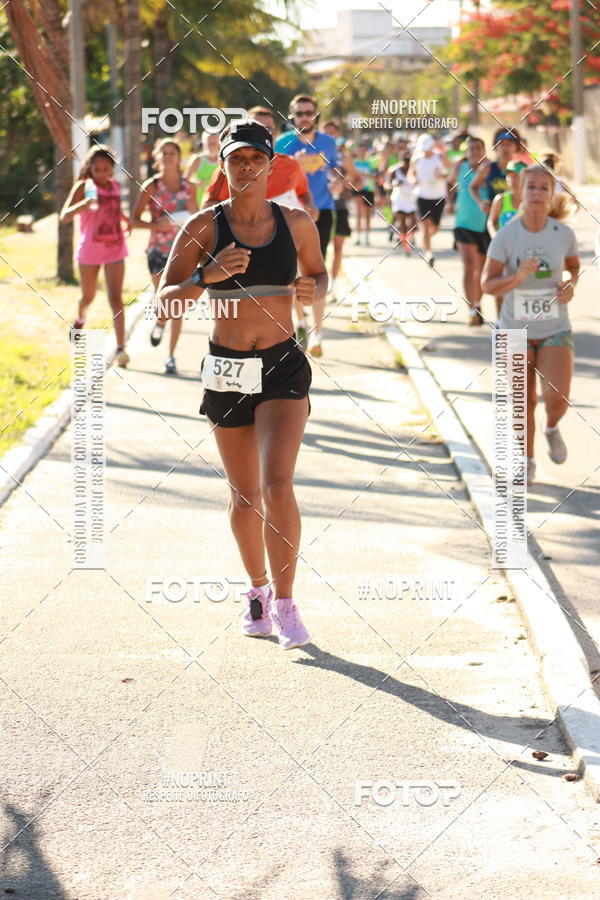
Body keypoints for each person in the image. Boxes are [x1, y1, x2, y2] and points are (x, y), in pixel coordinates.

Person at [157, 120, 328, 648]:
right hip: (227, 367)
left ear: (271, 164)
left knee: (278, 486)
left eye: (257, 159)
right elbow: (166, 302)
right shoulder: (203, 228)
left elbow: (320, 277)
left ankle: (286, 601)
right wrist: (206, 277)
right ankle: (255, 590)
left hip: (281, 363)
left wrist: (310, 290)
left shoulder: (297, 223)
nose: (247, 168)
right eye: (237, 160)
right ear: (224, 165)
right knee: (245, 495)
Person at [481, 165, 580, 484]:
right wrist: (518, 277)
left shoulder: (563, 234)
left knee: (557, 397)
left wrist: (569, 284)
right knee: (524, 400)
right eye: (531, 187)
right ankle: (527, 460)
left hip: (554, 328)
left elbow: (573, 268)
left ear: (551, 196)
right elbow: (487, 285)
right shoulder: (507, 236)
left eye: (543, 188)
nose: (537, 194)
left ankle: (552, 427)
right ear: (520, 193)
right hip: (514, 330)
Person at [275, 94, 338, 358]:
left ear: (316, 115)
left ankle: (318, 333)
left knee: (316, 270)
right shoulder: (283, 144)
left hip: (322, 211)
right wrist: (294, 166)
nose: (304, 117)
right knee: (291, 271)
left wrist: (337, 182)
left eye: (309, 112)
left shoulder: (328, 142)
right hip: (291, 214)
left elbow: (335, 171)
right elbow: (276, 180)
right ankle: (300, 322)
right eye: (299, 113)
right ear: (292, 116)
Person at [60, 144, 131, 366]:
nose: (101, 173)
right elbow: (65, 216)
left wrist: (126, 220)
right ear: (90, 168)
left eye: (106, 168)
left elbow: (115, 209)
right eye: (97, 168)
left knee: (116, 299)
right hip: (90, 250)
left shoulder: (116, 187)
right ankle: (80, 320)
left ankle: (121, 348)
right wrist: (83, 204)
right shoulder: (83, 186)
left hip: (115, 248)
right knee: (88, 296)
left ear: (112, 168)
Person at [132, 138, 198, 374]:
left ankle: (170, 356)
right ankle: (160, 321)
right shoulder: (152, 186)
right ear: (157, 158)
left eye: (173, 152)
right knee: (164, 301)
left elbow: (198, 220)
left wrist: (193, 210)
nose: (169, 156)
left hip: (183, 253)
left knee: (178, 304)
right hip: (158, 253)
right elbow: (134, 220)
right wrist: (154, 226)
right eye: (164, 153)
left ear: (179, 159)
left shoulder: (190, 187)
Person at [201, 106, 315, 216]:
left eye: (268, 129)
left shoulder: (291, 165)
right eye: (254, 127)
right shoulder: (230, 168)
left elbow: (303, 192)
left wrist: (310, 206)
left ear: (276, 134)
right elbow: (207, 207)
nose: (261, 133)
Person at [451, 136, 491, 325]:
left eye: (478, 148)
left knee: (482, 270)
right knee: (469, 265)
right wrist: (450, 203)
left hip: (486, 226)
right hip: (463, 223)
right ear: (467, 152)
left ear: (484, 151)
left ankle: (477, 302)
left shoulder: (491, 169)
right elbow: (450, 184)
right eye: (471, 149)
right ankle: (472, 310)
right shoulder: (460, 168)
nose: (475, 152)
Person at [323, 120, 357, 299]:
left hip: (340, 206)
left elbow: (356, 180)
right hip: (321, 207)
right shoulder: (317, 153)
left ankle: (333, 285)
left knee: (337, 247)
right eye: (325, 132)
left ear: (337, 135)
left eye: (332, 132)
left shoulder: (344, 157)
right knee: (321, 248)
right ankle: (321, 284)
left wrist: (345, 183)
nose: (329, 135)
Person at [411, 134, 449, 267]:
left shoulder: (440, 158)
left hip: (438, 197)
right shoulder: (416, 159)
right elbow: (411, 175)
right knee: (426, 225)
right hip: (422, 197)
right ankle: (428, 254)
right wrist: (413, 180)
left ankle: (425, 239)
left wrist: (442, 175)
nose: (426, 151)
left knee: (435, 228)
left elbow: (452, 171)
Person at [386, 152, 417, 256]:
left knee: (413, 222)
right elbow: (387, 185)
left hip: (411, 199)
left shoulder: (415, 170)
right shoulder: (394, 170)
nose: (407, 164)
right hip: (399, 199)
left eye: (409, 161)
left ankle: (411, 237)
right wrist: (395, 184)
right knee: (402, 223)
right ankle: (405, 246)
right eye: (405, 161)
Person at [488, 159, 527, 235]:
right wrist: (495, 237)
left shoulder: (531, 202)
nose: (512, 179)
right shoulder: (500, 199)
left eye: (516, 175)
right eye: (509, 176)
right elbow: (491, 222)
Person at [352, 143, 378, 246]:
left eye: (363, 150)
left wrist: (365, 175)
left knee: (367, 214)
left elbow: (376, 176)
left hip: (369, 189)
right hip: (358, 190)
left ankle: (367, 237)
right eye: (360, 150)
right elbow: (350, 176)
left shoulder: (370, 163)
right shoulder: (354, 163)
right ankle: (358, 237)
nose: (362, 152)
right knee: (358, 212)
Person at [185, 131, 220, 206]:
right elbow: (185, 179)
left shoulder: (224, 160)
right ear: (204, 143)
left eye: (214, 144)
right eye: (208, 144)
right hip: (200, 202)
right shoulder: (197, 159)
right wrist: (196, 182)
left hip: (219, 202)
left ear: (219, 144)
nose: (211, 146)